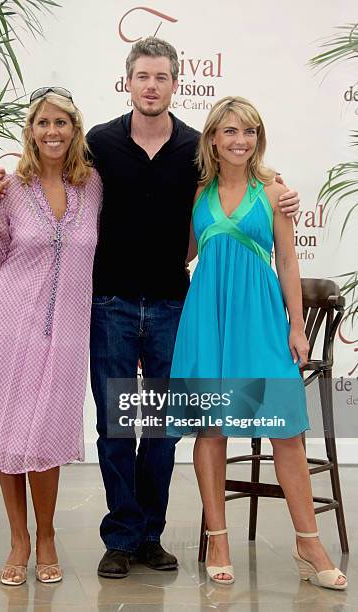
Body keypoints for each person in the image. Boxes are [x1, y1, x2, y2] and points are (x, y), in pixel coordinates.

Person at [86, 37, 301, 579]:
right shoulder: (100, 143)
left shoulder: (193, 153)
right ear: (128, 81)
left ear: (176, 84)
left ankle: (151, 536)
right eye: (143, 77)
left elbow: (241, 187)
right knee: (116, 424)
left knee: (162, 427)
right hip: (109, 301)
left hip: (173, 308)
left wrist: (280, 189)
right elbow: (63, 187)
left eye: (162, 77)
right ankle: (121, 535)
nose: (152, 86)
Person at [169, 96, 347, 589]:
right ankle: (218, 538)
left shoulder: (273, 193)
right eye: (229, 131)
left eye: (248, 131)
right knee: (211, 429)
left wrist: (295, 325)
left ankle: (308, 543)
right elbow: (180, 251)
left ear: (258, 138)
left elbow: (288, 262)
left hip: (261, 319)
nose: (239, 140)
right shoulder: (197, 192)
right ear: (213, 139)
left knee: (286, 431)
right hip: (208, 319)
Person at [0, 87, 102, 585]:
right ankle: (19, 540)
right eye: (43, 123)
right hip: (9, 325)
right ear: (30, 130)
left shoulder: (94, 186)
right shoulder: (9, 185)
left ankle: (48, 535)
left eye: (61, 123)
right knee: (10, 432)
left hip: (66, 335)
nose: (52, 132)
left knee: (46, 436)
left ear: (74, 128)